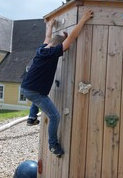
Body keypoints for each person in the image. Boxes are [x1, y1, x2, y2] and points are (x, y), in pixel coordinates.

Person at [21, 9, 94, 157]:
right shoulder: (52, 53)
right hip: (33, 91)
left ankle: (32, 117)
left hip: (26, 87)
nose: (63, 51)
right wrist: (84, 19)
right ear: (57, 48)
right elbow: (72, 37)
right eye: (62, 50)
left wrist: (50, 25)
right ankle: (53, 145)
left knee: (41, 93)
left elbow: (48, 37)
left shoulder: (42, 49)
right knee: (55, 116)